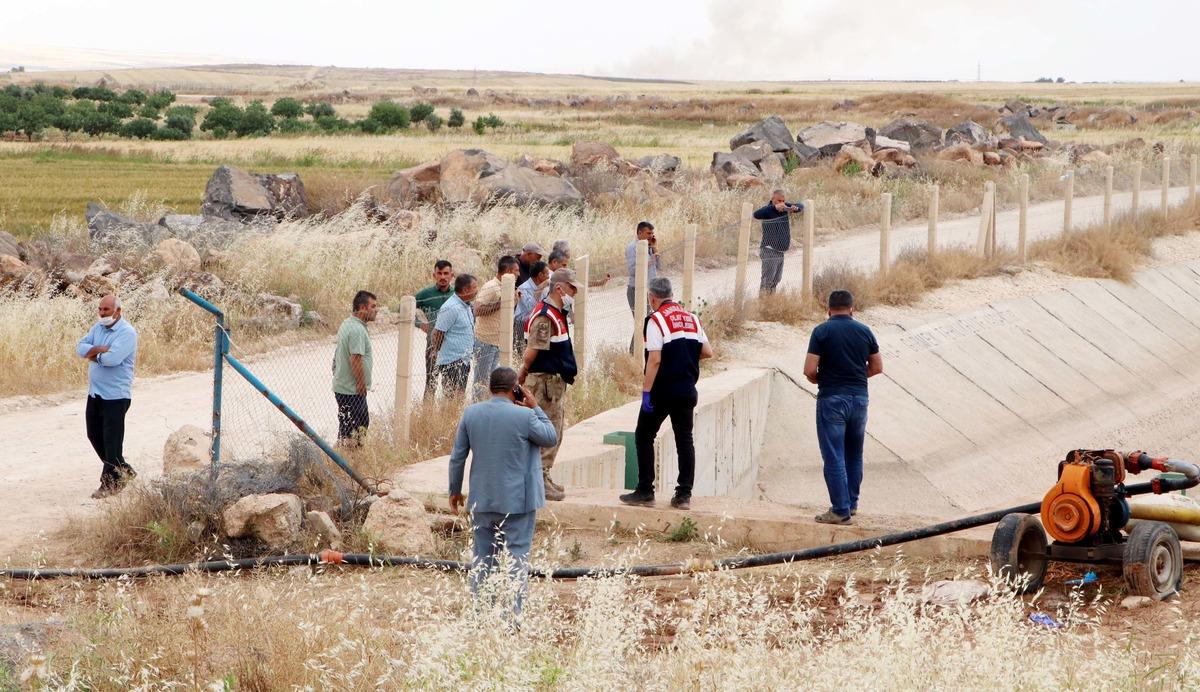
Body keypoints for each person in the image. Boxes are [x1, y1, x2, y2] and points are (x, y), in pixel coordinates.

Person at [448, 367, 557, 617]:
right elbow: (550, 436)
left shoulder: (471, 414)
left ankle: (481, 614)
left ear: (490, 388)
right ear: (515, 389)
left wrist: (455, 490)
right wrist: (535, 406)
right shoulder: (525, 417)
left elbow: (457, 458)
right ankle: (511, 620)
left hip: (482, 501)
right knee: (516, 560)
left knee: (483, 560)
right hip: (519, 503)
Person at [619, 278, 712, 510]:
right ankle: (683, 496)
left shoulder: (655, 320)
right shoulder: (692, 318)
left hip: (662, 391)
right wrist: (684, 358)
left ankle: (645, 490)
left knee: (644, 435)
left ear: (652, 298)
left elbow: (655, 359)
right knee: (684, 439)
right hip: (687, 390)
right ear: (671, 294)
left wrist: (646, 392)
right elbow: (708, 351)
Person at [803, 290, 883, 525]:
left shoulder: (821, 331)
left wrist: (822, 379)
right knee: (854, 453)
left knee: (834, 455)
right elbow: (877, 366)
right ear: (852, 309)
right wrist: (857, 376)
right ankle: (852, 503)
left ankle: (839, 510)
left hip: (832, 399)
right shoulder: (864, 331)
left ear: (828, 310)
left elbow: (809, 369)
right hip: (859, 399)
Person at [519, 268, 581, 501]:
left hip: (553, 383)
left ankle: (544, 476)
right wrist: (522, 374)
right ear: (559, 288)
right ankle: (539, 479)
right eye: (571, 288)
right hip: (544, 383)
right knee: (547, 432)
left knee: (555, 431)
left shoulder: (558, 312)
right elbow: (532, 351)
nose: (574, 293)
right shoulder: (545, 316)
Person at [75, 294, 139, 499]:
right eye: (100, 309)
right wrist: (98, 350)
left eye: (107, 310)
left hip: (115, 396)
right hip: (95, 393)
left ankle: (109, 484)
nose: (102, 314)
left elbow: (112, 359)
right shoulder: (98, 328)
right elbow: (80, 347)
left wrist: (92, 354)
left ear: (118, 311)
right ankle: (125, 471)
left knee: (112, 442)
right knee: (94, 435)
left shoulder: (127, 333)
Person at [332, 290, 377, 446]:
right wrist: (360, 384)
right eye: (373, 306)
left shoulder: (348, 323)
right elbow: (355, 358)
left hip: (343, 387)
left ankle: (342, 457)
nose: (376, 310)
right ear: (363, 308)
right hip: (352, 390)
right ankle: (351, 460)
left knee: (347, 427)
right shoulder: (357, 330)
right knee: (358, 429)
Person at [472, 256, 520, 399]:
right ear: (508, 271)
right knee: (481, 380)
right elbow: (478, 310)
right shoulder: (491, 287)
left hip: (497, 341)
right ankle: (477, 408)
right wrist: (502, 303)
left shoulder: (506, 287)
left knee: (492, 380)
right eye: (516, 271)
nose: (519, 274)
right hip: (486, 341)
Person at [431, 274, 478, 396]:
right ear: (465, 290)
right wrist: (436, 351)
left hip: (464, 359)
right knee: (451, 397)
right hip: (453, 361)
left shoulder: (465, 305)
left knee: (459, 396)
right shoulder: (451, 307)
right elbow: (439, 332)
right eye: (474, 287)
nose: (476, 291)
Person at [415, 260, 455, 399]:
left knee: (450, 385)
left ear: (452, 275)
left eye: (446, 273)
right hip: (432, 345)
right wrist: (419, 323)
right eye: (439, 273)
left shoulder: (457, 294)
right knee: (431, 383)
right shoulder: (425, 294)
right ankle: (426, 414)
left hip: (452, 346)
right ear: (434, 275)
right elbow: (404, 308)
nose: (443, 277)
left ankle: (447, 413)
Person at [752, 190, 804, 294]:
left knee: (776, 280)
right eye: (779, 200)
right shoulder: (767, 210)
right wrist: (774, 207)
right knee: (767, 281)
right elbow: (756, 214)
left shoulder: (785, 207)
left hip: (780, 252)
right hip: (769, 250)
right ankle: (763, 305)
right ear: (773, 199)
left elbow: (801, 205)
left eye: (783, 200)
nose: (781, 203)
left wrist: (795, 208)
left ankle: (771, 304)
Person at [514, 260, 549, 354]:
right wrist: (540, 289)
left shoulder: (546, 288)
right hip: (524, 324)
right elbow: (531, 308)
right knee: (524, 355)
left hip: (541, 323)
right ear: (541, 275)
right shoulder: (523, 288)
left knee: (541, 355)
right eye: (547, 274)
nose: (549, 277)